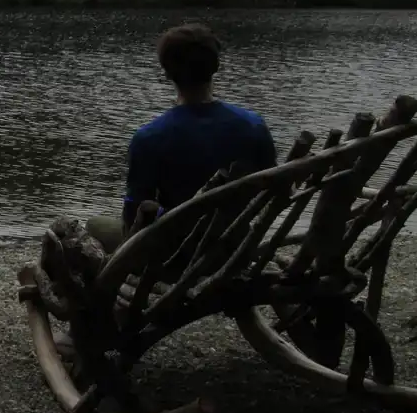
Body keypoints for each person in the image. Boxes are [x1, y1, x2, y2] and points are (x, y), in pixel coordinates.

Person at [85, 22, 278, 255]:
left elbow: (133, 216)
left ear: (167, 73)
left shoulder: (150, 137)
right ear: (215, 67)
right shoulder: (253, 125)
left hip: (174, 257)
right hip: (234, 247)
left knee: (95, 224)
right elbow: (272, 191)